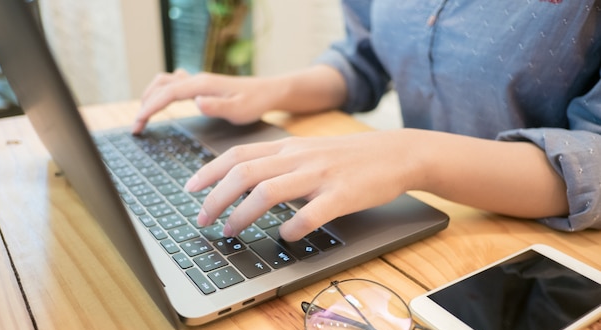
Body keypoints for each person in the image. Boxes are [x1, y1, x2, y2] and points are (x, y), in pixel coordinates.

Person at [132, 1, 601, 242]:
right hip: (429, 223)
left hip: (544, 259)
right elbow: (367, 58)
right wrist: (272, 90)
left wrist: (411, 155)